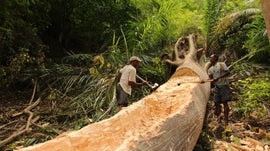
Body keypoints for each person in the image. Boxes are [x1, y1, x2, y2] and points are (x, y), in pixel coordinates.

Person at [207, 54, 231, 126]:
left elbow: (227, 72)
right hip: (217, 87)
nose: (210, 59)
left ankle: (226, 121)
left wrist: (218, 78)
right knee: (216, 103)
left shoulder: (221, 64)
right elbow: (211, 79)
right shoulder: (210, 69)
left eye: (211, 58)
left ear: (215, 59)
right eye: (210, 58)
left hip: (224, 85)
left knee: (225, 102)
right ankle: (219, 119)